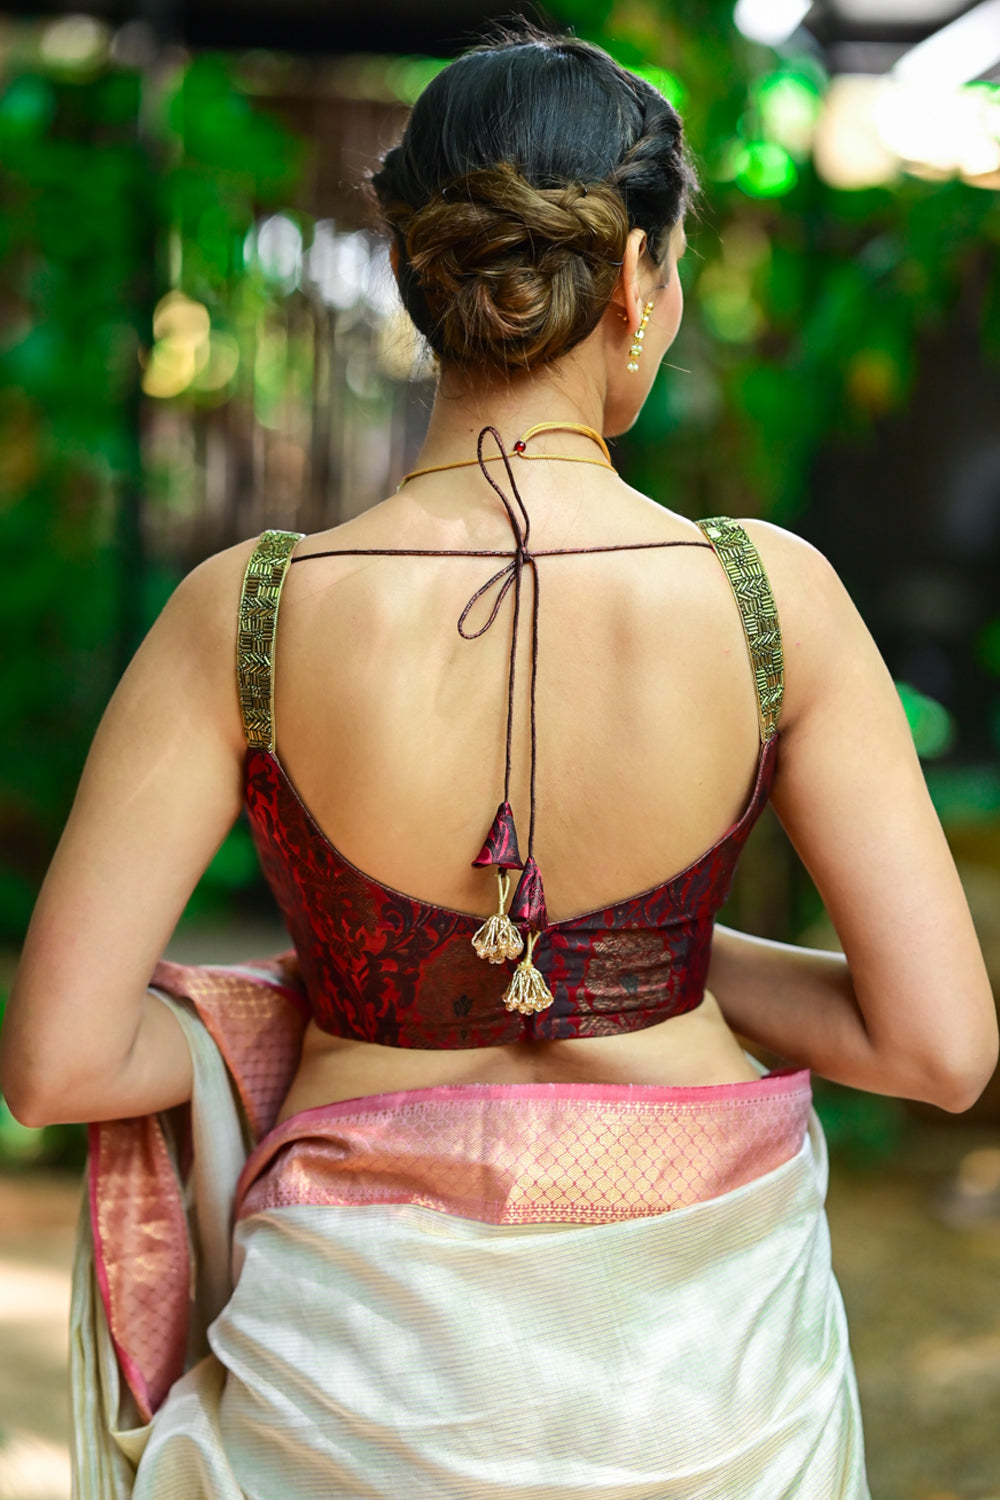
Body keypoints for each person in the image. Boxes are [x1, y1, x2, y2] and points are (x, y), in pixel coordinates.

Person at [1, 22, 996, 1500]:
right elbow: (941, 1048)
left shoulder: (247, 612)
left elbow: (61, 1061)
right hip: (706, 1381)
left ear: (421, 280)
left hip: (354, 1371)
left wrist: (324, 996)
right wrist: (650, 957)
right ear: (642, 281)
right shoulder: (769, 596)